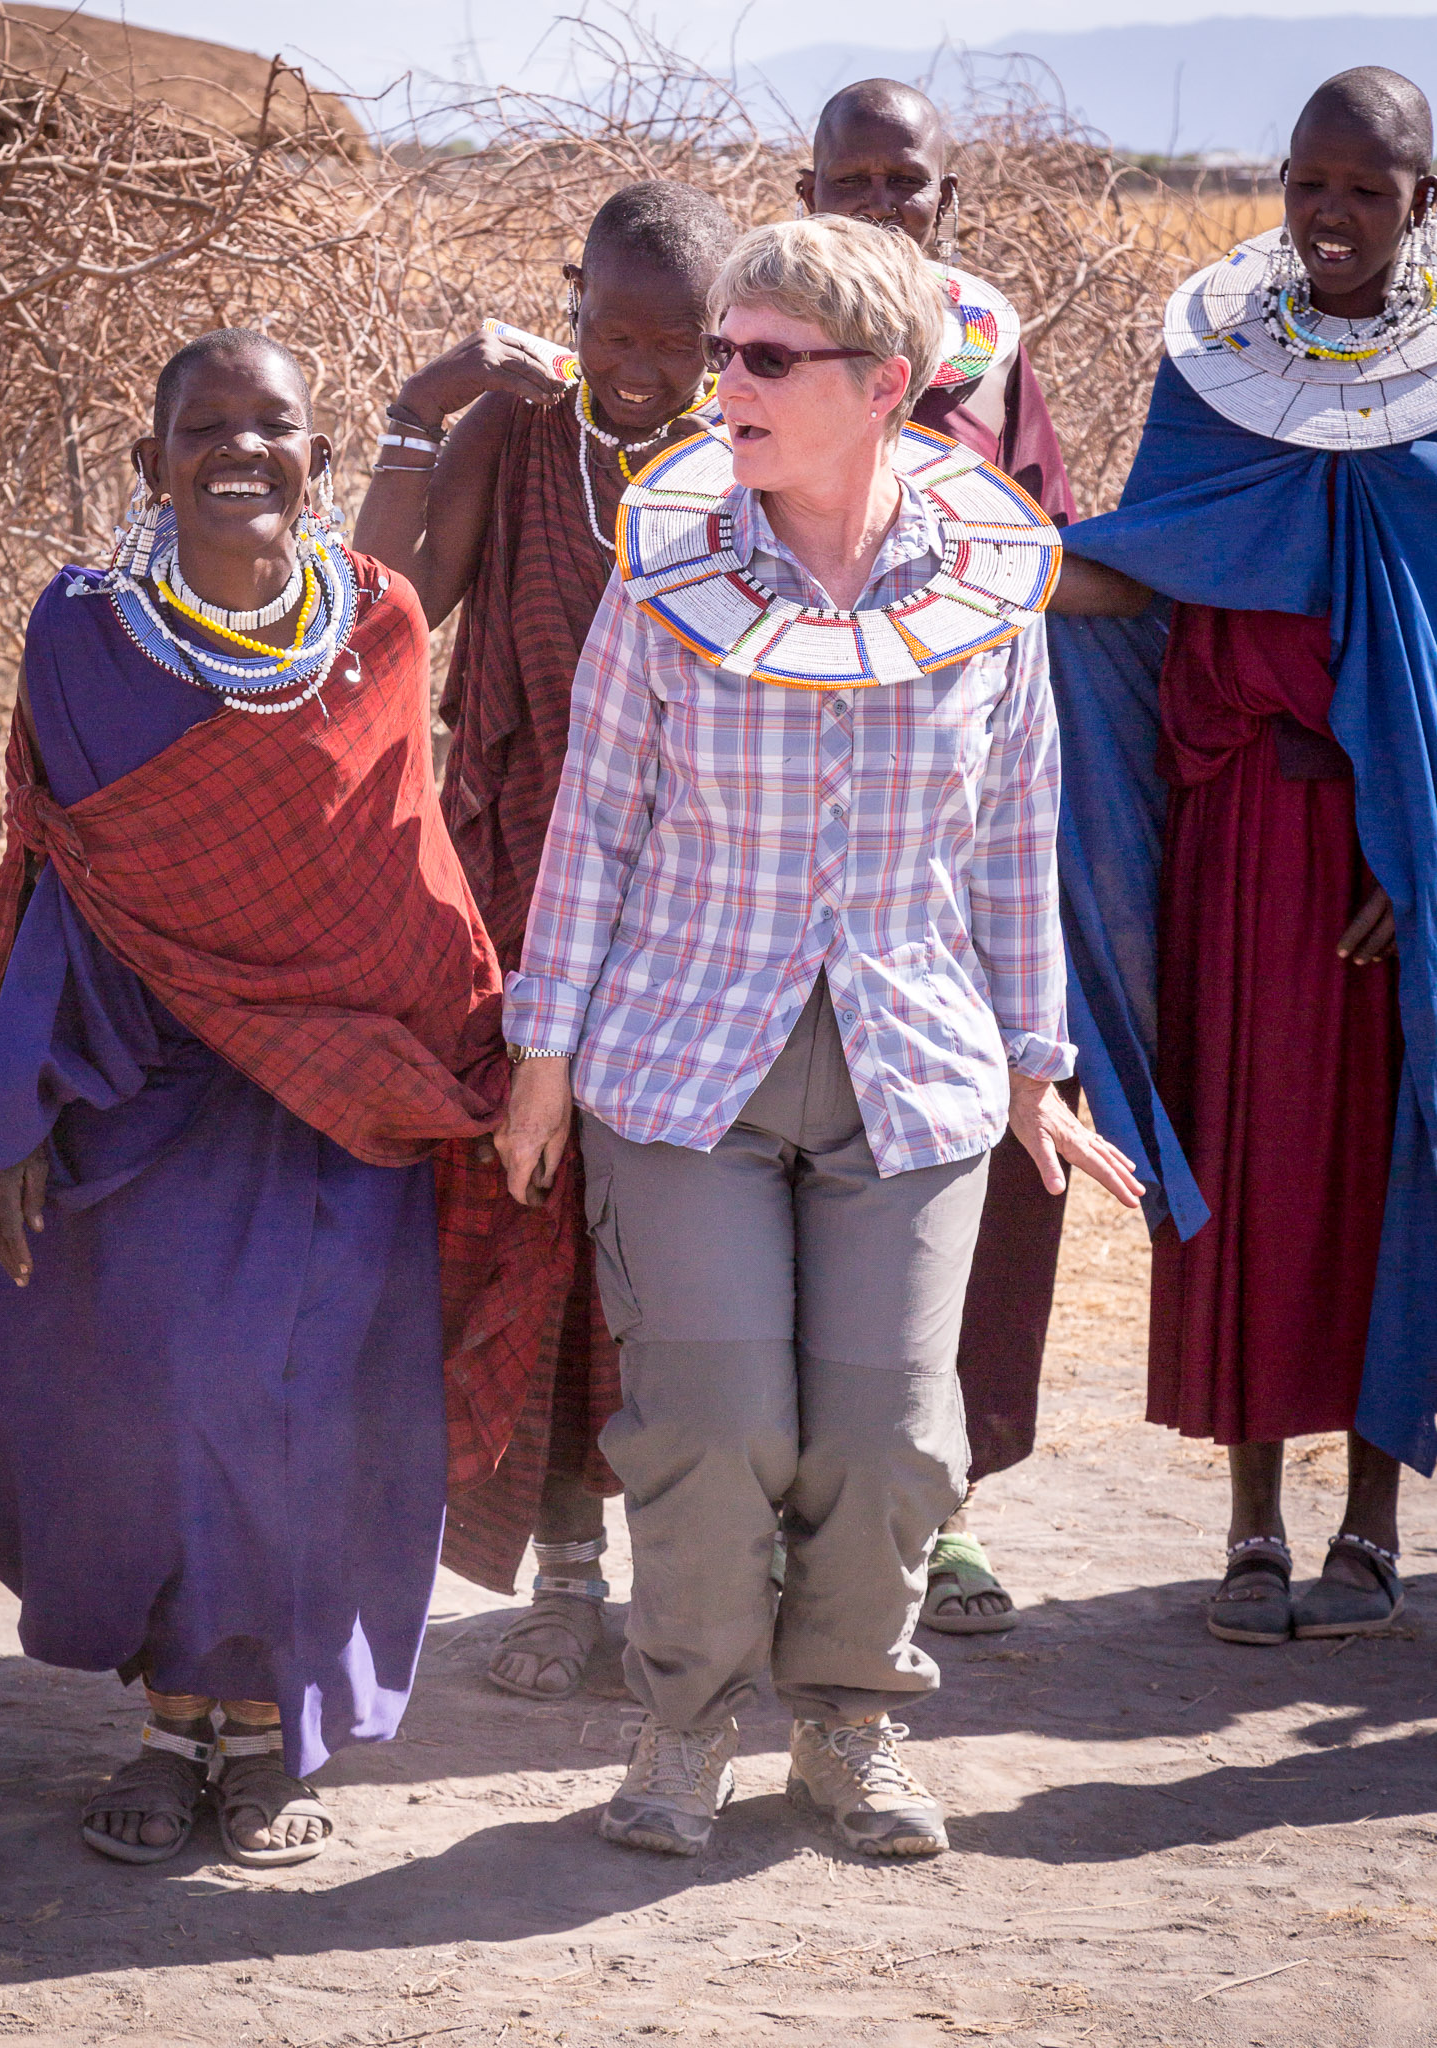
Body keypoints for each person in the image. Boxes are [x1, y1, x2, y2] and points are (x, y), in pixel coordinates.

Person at [498, 214, 1143, 1859]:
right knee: (712, 1421)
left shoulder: (987, 590)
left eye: (766, 359)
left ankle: (849, 1727)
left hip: (909, 1067)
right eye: (725, 352)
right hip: (678, 1063)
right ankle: (684, 1730)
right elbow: (595, 825)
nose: (727, 384)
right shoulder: (671, 572)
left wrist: (1032, 1066)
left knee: (890, 1433)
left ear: (882, 386)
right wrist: (541, 1059)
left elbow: (1016, 835)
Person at [0, 330, 519, 1866]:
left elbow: (398, 872)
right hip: (142, 1084)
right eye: (205, 427)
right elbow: (69, 879)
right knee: (161, 1405)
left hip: (342, 1095)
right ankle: (171, 1718)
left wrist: (470, 1062)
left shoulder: (375, 622)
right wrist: (12, 1108)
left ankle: (268, 1738)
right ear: (149, 461)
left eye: (275, 428)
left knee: (313, 1416)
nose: (240, 452)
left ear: (322, 460)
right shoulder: (80, 628)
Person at [1050, 67, 1437, 1645]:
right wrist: (981, 570)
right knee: (1251, 1175)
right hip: (1232, 846)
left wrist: (1417, 856)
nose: (1328, 214)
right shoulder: (1204, 372)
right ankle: (1249, 1525)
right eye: (1304, 183)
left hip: (1393, 870)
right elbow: (1147, 575)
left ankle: (1369, 1529)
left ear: (1422, 205)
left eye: (1365, 187)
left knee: (1379, 1181)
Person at [355, 181, 736, 1702]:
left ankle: (686, 1586)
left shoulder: (748, 471)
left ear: (721, 346)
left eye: (672, 342)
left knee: (683, 1252)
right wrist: (415, 405)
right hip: (514, 895)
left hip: (697, 911)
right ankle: (565, 1579)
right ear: (567, 307)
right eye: (606, 331)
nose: (633, 366)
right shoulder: (515, 439)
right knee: (541, 1231)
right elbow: (385, 609)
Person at [798, 76, 1079, 1634]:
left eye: (904, 183)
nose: (878, 204)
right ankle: (786, 1534)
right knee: (771, 1188)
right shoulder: (750, 339)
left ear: (942, 203)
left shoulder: (986, 357)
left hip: (939, 853)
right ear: (804, 183)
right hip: (775, 855)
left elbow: (1033, 561)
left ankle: (940, 1511)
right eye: (852, 177)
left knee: (953, 1181)